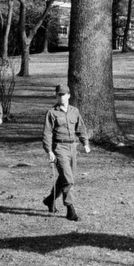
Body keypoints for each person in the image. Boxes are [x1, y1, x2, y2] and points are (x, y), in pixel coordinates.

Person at [41, 84, 90, 222]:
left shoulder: (75, 111)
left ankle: (50, 199)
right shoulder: (51, 113)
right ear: (56, 96)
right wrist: (49, 151)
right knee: (69, 179)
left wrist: (85, 143)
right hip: (59, 148)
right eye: (59, 95)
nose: (61, 97)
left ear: (69, 95)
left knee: (64, 178)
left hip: (72, 147)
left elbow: (81, 128)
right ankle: (70, 209)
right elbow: (47, 133)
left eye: (63, 94)